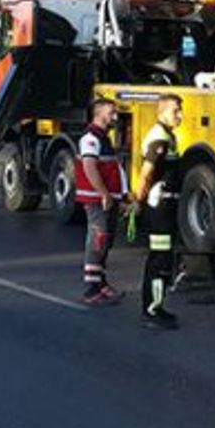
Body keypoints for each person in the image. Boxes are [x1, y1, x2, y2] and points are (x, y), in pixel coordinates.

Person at [132, 94, 184, 330]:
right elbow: (146, 173)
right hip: (159, 207)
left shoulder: (168, 136)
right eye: (175, 111)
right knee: (159, 258)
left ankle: (157, 306)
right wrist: (138, 202)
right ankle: (152, 310)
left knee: (163, 257)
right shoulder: (159, 139)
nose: (180, 115)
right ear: (162, 112)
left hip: (167, 205)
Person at [75, 98, 126, 306]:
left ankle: (101, 282)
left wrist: (119, 196)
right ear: (98, 114)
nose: (115, 117)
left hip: (106, 198)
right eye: (111, 113)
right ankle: (91, 289)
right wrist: (104, 194)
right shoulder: (90, 139)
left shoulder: (103, 138)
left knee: (105, 240)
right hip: (96, 199)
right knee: (98, 238)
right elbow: (89, 167)